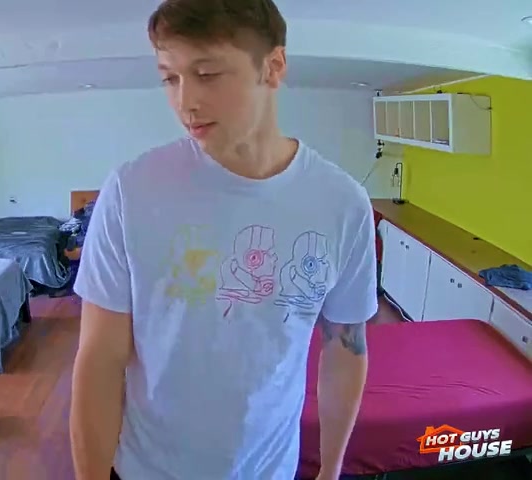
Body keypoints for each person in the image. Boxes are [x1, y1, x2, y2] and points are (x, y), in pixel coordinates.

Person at [69, 0, 376, 479]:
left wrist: (331, 469)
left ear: (273, 67)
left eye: (206, 74)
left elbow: (345, 349)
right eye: (170, 78)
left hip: (270, 469)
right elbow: (100, 359)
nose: (185, 101)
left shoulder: (343, 204)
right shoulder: (132, 190)